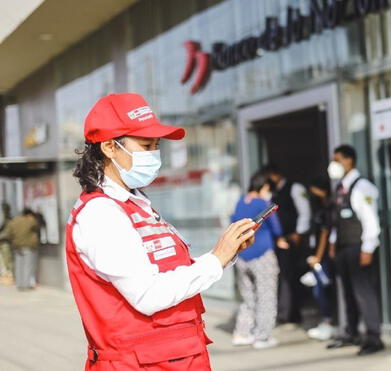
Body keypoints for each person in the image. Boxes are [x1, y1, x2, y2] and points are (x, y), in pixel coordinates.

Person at [66, 93, 256, 370]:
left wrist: (226, 254)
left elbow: (168, 270)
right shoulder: (101, 214)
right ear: (109, 147)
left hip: (174, 359)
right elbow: (147, 295)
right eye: (146, 145)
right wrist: (216, 259)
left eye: (156, 145)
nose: (154, 154)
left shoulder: (136, 204)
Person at [326, 145, 384, 356]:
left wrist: (368, 248)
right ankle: (351, 333)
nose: (334, 164)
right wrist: (333, 242)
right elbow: (336, 219)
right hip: (343, 246)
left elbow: (371, 221)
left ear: (349, 160)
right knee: (348, 292)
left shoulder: (362, 187)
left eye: (337, 159)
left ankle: (373, 336)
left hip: (359, 246)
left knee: (364, 291)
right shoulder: (340, 186)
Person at [231, 171, 289, 349]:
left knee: (248, 296)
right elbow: (276, 227)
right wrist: (280, 238)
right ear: (264, 187)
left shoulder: (241, 201)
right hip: (262, 254)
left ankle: (242, 332)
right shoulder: (263, 204)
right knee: (266, 295)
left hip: (242, 256)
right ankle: (262, 337)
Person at [263, 164, 312, 325]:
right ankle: (285, 312)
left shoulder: (294, 188)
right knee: (283, 275)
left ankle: (292, 313)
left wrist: (298, 233)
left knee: (290, 276)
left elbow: (304, 212)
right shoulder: (273, 191)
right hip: (278, 240)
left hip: (292, 239)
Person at [305, 176, 337, 341]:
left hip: (323, 257)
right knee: (319, 290)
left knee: (322, 290)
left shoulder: (328, 208)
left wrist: (318, 256)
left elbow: (325, 234)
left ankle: (329, 322)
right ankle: (327, 321)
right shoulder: (321, 207)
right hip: (318, 255)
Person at [0, 208, 40, 290]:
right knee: (28, 266)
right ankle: (26, 285)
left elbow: (9, 234)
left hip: (16, 246)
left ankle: (19, 284)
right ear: (29, 214)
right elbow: (38, 225)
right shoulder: (30, 221)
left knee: (19, 266)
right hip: (28, 246)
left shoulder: (13, 222)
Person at [0, 203, 14, 285]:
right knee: (2, 261)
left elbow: (8, 233)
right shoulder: (4, 220)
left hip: (6, 242)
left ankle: (9, 276)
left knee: (7, 260)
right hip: (2, 242)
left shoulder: (8, 220)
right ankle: (5, 276)